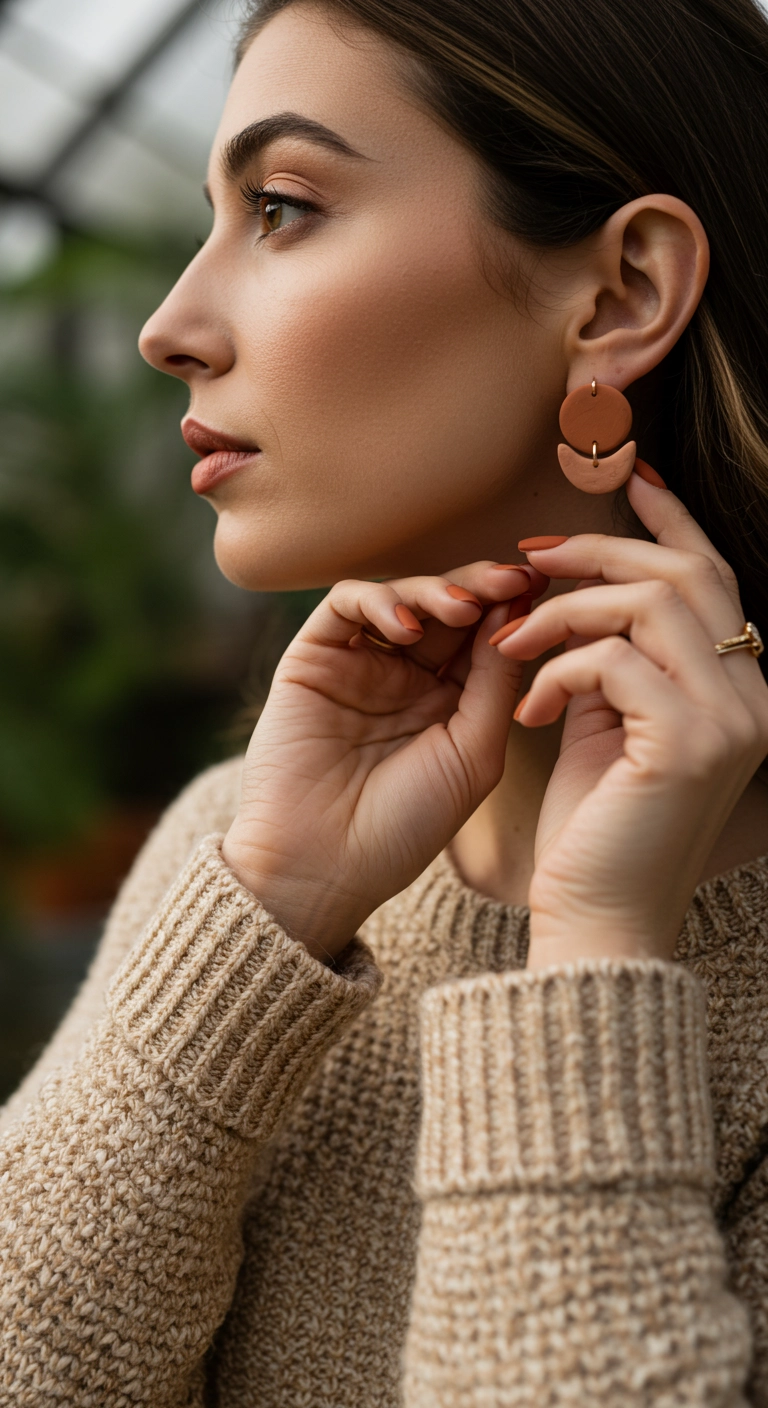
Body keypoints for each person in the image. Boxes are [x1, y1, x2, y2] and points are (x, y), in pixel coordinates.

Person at [3, 0, 768, 1401]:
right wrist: (267, 912)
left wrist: (596, 961)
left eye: (283, 207)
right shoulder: (232, 845)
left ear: (619, 295)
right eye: (212, 217)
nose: (170, 325)